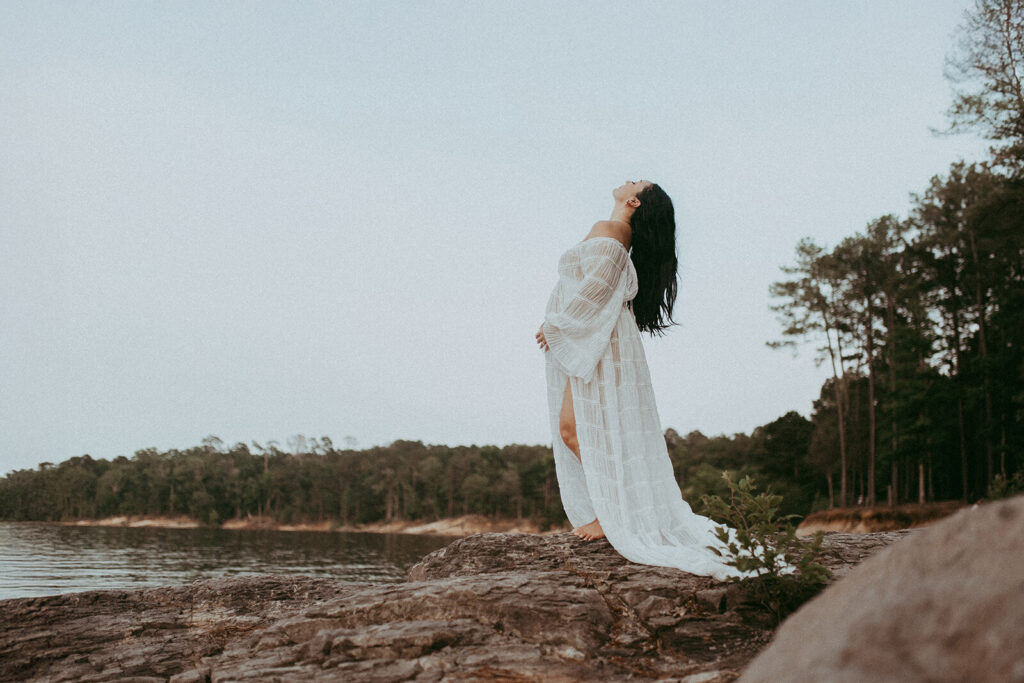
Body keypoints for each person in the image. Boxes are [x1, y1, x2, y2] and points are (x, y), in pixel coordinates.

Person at [535, 180, 743, 581]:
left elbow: (596, 288)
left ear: (633, 201)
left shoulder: (611, 230)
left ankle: (610, 515)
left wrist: (558, 325)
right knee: (576, 429)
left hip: (599, 339)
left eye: (635, 183)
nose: (627, 180)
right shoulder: (616, 233)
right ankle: (610, 512)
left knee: (574, 429)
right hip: (597, 337)